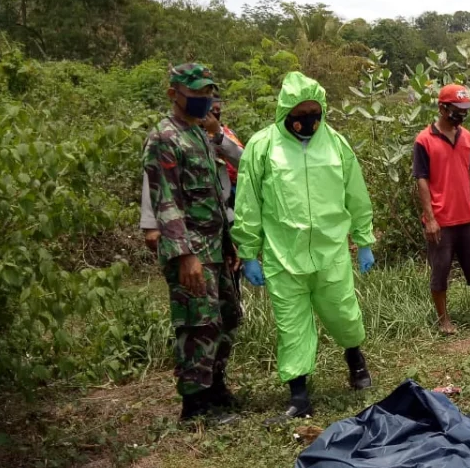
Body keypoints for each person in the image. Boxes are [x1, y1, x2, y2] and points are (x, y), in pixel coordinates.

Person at [232, 72, 377, 424]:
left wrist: (364, 238)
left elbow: (355, 193)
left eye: (315, 111)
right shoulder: (262, 146)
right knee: (291, 325)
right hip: (283, 255)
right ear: (286, 110)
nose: (308, 119)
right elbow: (248, 202)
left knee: (343, 313)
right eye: (301, 111)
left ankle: (355, 360)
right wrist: (248, 252)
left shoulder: (336, 143)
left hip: (331, 252)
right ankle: (299, 395)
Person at [143, 63, 240, 422]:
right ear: (174, 94)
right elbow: (166, 201)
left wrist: (229, 246)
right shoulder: (164, 138)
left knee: (226, 318)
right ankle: (195, 404)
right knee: (197, 324)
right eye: (197, 93)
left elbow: (214, 195)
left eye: (207, 93)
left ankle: (215, 386)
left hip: (215, 245)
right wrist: (185, 256)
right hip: (191, 250)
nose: (205, 100)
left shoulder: (199, 134)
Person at [414, 84, 470, 334]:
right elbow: (421, 180)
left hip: (468, 217)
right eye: (457, 109)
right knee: (440, 272)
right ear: (442, 108)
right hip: (441, 220)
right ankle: (444, 321)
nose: (461, 115)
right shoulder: (424, 140)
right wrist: (430, 218)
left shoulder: (467, 137)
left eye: (465, 110)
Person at [141, 97, 243, 253]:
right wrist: (150, 224)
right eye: (211, 110)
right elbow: (154, 178)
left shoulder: (224, 134)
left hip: (224, 216)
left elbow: (244, 161)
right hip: (187, 219)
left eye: (217, 110)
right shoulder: (172, 135)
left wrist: (218, 135)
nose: (213, 114)